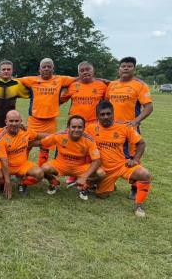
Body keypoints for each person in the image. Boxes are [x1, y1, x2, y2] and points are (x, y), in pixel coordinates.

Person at [85, 101, 152, 217]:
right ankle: (107, 184)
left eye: (108, 114)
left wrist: (135, 160)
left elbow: (141, 143)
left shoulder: (124, 127)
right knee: (102, 196)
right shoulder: (90, 128)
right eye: (102, 114)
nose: (106, 117)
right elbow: (80, 143)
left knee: (144, 174)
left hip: (121, 165)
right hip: (103, 170)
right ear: (97, 116)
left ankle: (138, 205)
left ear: (113, 113)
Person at [106, 56, 153, 199]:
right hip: (112, 129)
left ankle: (135, 187)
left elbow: (149, 107)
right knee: (111, 156)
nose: (125, 68)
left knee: (133, 157)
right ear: (119, 69)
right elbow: (106, 105)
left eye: (129, 66)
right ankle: (109, 183)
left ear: (134, 69)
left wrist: (136, 121)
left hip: (129, 129)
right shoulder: (112, 85)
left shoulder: (140, 85)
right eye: (123, 66)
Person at [17, 58, 76, 166]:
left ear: (53, 69)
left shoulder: (60, 80)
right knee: (27, 144)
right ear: (39, 70)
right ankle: (21, 167)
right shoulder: (32, 80)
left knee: (46, 145)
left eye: (49, 66)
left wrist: (100, 80)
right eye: (44, 67)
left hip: (50, 121)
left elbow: (78, 79)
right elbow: (15, 80)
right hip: (34, 120)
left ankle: (41, 170)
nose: (46, 68)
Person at [40, 115, 105, 200]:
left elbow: (97, 160)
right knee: (43, 168)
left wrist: (84, 177)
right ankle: (54, 182)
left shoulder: (89, 140)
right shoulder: (60, 135)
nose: (76, 130)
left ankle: (85, 186)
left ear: (84, 128)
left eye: (80, 127)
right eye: (73, 127)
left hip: (79, 168)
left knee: (101, 173)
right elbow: (42, 142)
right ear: (68, 127)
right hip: (60, 165)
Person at [0, 110, 45, 199]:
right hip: (4, 165)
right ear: (6, 122)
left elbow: (38, 136)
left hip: (21, 165)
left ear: (20, 121)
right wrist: (7, 181)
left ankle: (22, 182)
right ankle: (4, 183)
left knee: (40, 174)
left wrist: (56, 135)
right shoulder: (1, 138)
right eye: (11, 121)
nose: (14, 124)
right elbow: (4, 160)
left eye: (16, 121)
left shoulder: (25, 131)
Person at [0, 60, 29, 167]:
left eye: (9, 69)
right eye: (3, 69)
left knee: (9, 149)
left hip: (9, 124)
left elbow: (31, 93)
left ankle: (7, 172)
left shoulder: (17, 84)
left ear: (12, 71)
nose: (6, 71)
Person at [60, 61, 107, 126]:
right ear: (78, 73)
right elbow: (60, 100)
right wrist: (62, 88)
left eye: (87, 69)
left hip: (94, 123)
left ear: (93, 71)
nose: (85, 72)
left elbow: (108, 103)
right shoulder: (72, 85)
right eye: (82, 70)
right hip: (75, 123)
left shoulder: (102, 85)